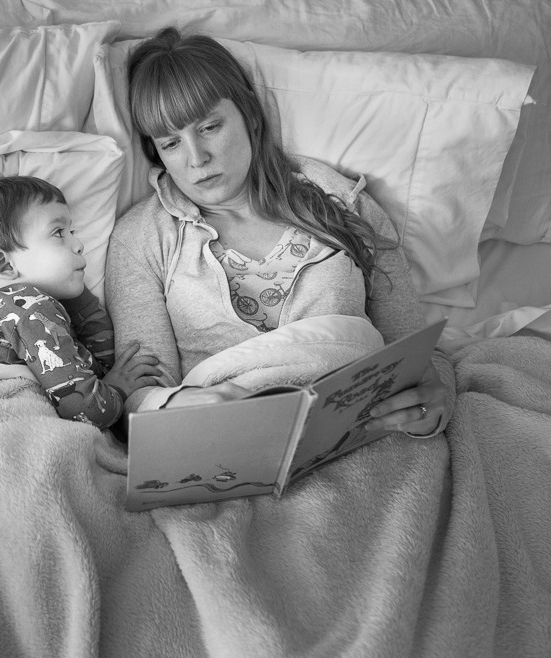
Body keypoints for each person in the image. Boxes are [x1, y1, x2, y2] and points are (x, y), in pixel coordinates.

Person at [106, 27, 454, 437]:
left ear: (250, 115)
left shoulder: (343, 201)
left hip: (363, 432)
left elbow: (416, 351)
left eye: (209, 127)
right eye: (170, 143)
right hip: (229, 444)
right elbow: (139, 394)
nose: (197, 159)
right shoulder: (140, 240)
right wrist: (177, 404)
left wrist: (437, 393)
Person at [0, 174, 162, 428]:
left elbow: (101, 366)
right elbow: (85, 410)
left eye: (73, 231)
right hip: (6, 419)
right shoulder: (24, 307)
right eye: (59, 233)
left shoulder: (44, 307)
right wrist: (117, 388)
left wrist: (79, 298)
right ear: (5, 265)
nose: (79, 245)